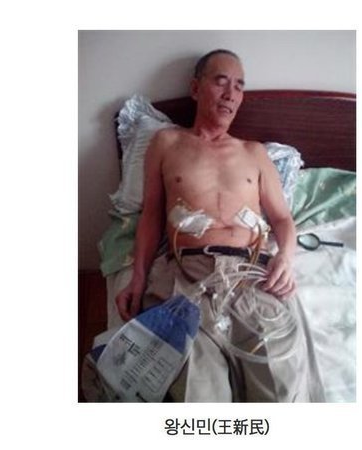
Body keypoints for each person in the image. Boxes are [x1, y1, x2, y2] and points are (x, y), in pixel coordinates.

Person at [114, 49, 313, 402]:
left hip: (252, 274)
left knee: (280, 386)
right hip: (187, 274)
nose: (231, 94)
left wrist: (285, 257)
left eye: (239, 86)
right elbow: (151, 216)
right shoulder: (166, 143)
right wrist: (139, 277)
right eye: (221, 82)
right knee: (198, 393)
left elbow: (283, 219)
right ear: (195, 88)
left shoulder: (254, 153)